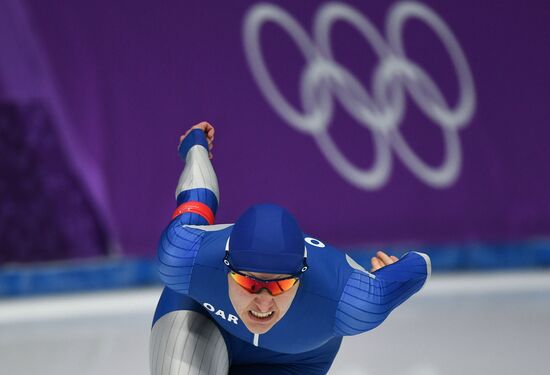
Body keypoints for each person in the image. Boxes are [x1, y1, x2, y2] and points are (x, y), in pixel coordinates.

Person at [150, 122, 431, 375]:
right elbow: (197, 197)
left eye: (279, 287)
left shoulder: (354, 300)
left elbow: (420, 264)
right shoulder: (184, 256)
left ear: (301, 275)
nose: (262, 303)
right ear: (225, 267)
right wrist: (196, 146)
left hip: (292, 362)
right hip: (205, 323)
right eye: (247, 283)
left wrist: (385, 279)